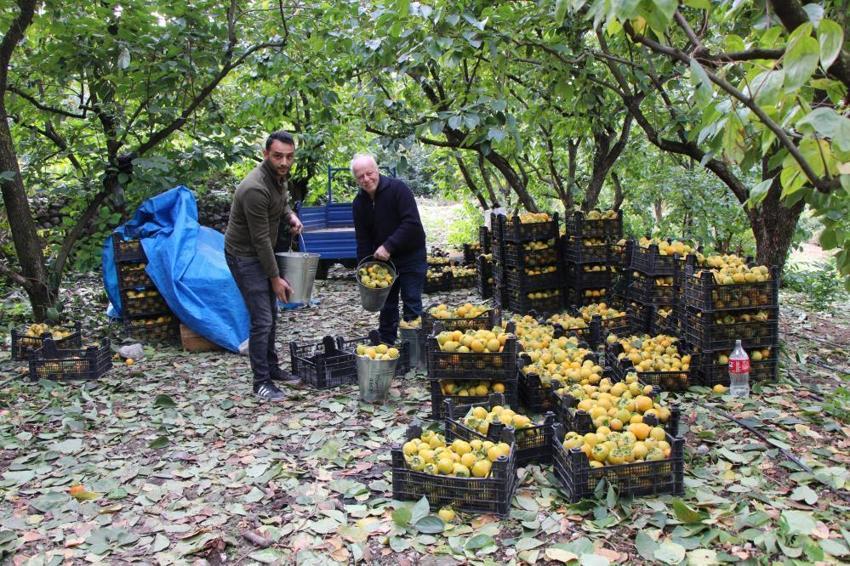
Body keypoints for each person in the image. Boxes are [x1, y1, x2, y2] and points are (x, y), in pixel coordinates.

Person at [225, 131, 303, 401]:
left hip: (261, 252)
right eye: (278, 156)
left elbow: (280, 204)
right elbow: (259, 240)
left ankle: (272, 368)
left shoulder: (278, 179)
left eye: (289, 157)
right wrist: (274, 278)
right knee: (262, 319)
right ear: (265, 154)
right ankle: (261, 382)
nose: (284, 162)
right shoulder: (255, 188)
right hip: (244, 256)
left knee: (270, 314)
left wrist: (290, 215)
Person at [351, 154, 427, 345]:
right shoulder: (359, 203)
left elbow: (412, 224)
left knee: (411, 301)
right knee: (387, 305)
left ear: (377, 170)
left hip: (411, 255)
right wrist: (364, 267)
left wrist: (388, 245)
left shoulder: (398, 189)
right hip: (384, 263)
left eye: (369, 173)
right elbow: (363, 238)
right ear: (356, 179)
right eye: (360, 177)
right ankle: (386, 347)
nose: (366, 179)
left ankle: (414, 350)